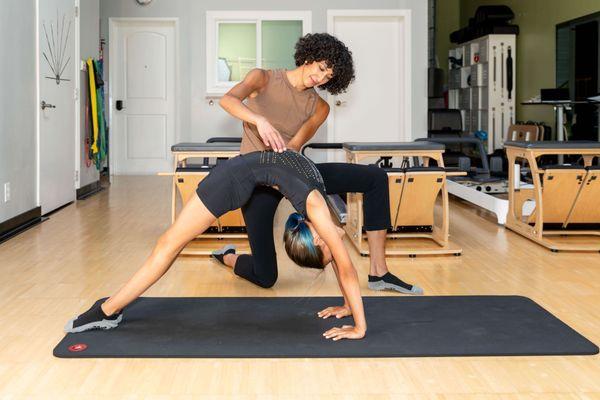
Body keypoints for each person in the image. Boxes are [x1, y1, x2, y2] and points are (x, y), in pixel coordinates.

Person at [65, 150, 367, 341]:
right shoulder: (318, 212)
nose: (334, 256)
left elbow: (341, 263)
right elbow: (347, 269)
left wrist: (346, 305)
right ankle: (106, 310)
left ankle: (110, 308)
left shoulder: (323, 216)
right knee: (168, 244)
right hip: (232, 180)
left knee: (170, 245)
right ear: (318, 238)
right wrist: (359, 326)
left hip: (245, 173)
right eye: (327, 256)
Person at [215, 33, 423, 298]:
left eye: (328, 77)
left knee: (375, 177)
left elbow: (293, 149)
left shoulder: (319, 107)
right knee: (265, 276)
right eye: (322, 68)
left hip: (291, 172)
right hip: (257, 181)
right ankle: (229, 256)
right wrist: (259, 120)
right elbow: (228, 100)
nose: (322, 78)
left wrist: (312, 203)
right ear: (309, 56)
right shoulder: (263, 78)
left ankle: (379, 272)